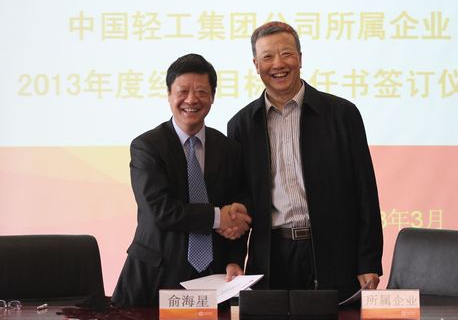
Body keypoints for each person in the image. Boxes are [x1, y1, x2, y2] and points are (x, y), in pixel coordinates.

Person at [227, 22, 383, 301]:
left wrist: (368, 260)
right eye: (267, 57)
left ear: (300, 58)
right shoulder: (241, 125)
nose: (278, 64)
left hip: (334, 253)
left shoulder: (342, 114)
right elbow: (239, 200)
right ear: (256, 65)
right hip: (272, 258)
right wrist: (234, 259)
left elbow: (365, 191)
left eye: (286, 53)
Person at [112, 54, 251, 307]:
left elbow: (238, 208)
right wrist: (219, 217)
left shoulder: (229, 149)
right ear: (169, 94)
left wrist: (234, 259)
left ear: (213, 96)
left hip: (214, 277)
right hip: (154, 276)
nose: (191, 100)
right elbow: (160, 211)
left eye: (201, 92)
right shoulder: (147, 146)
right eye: (183, 91)